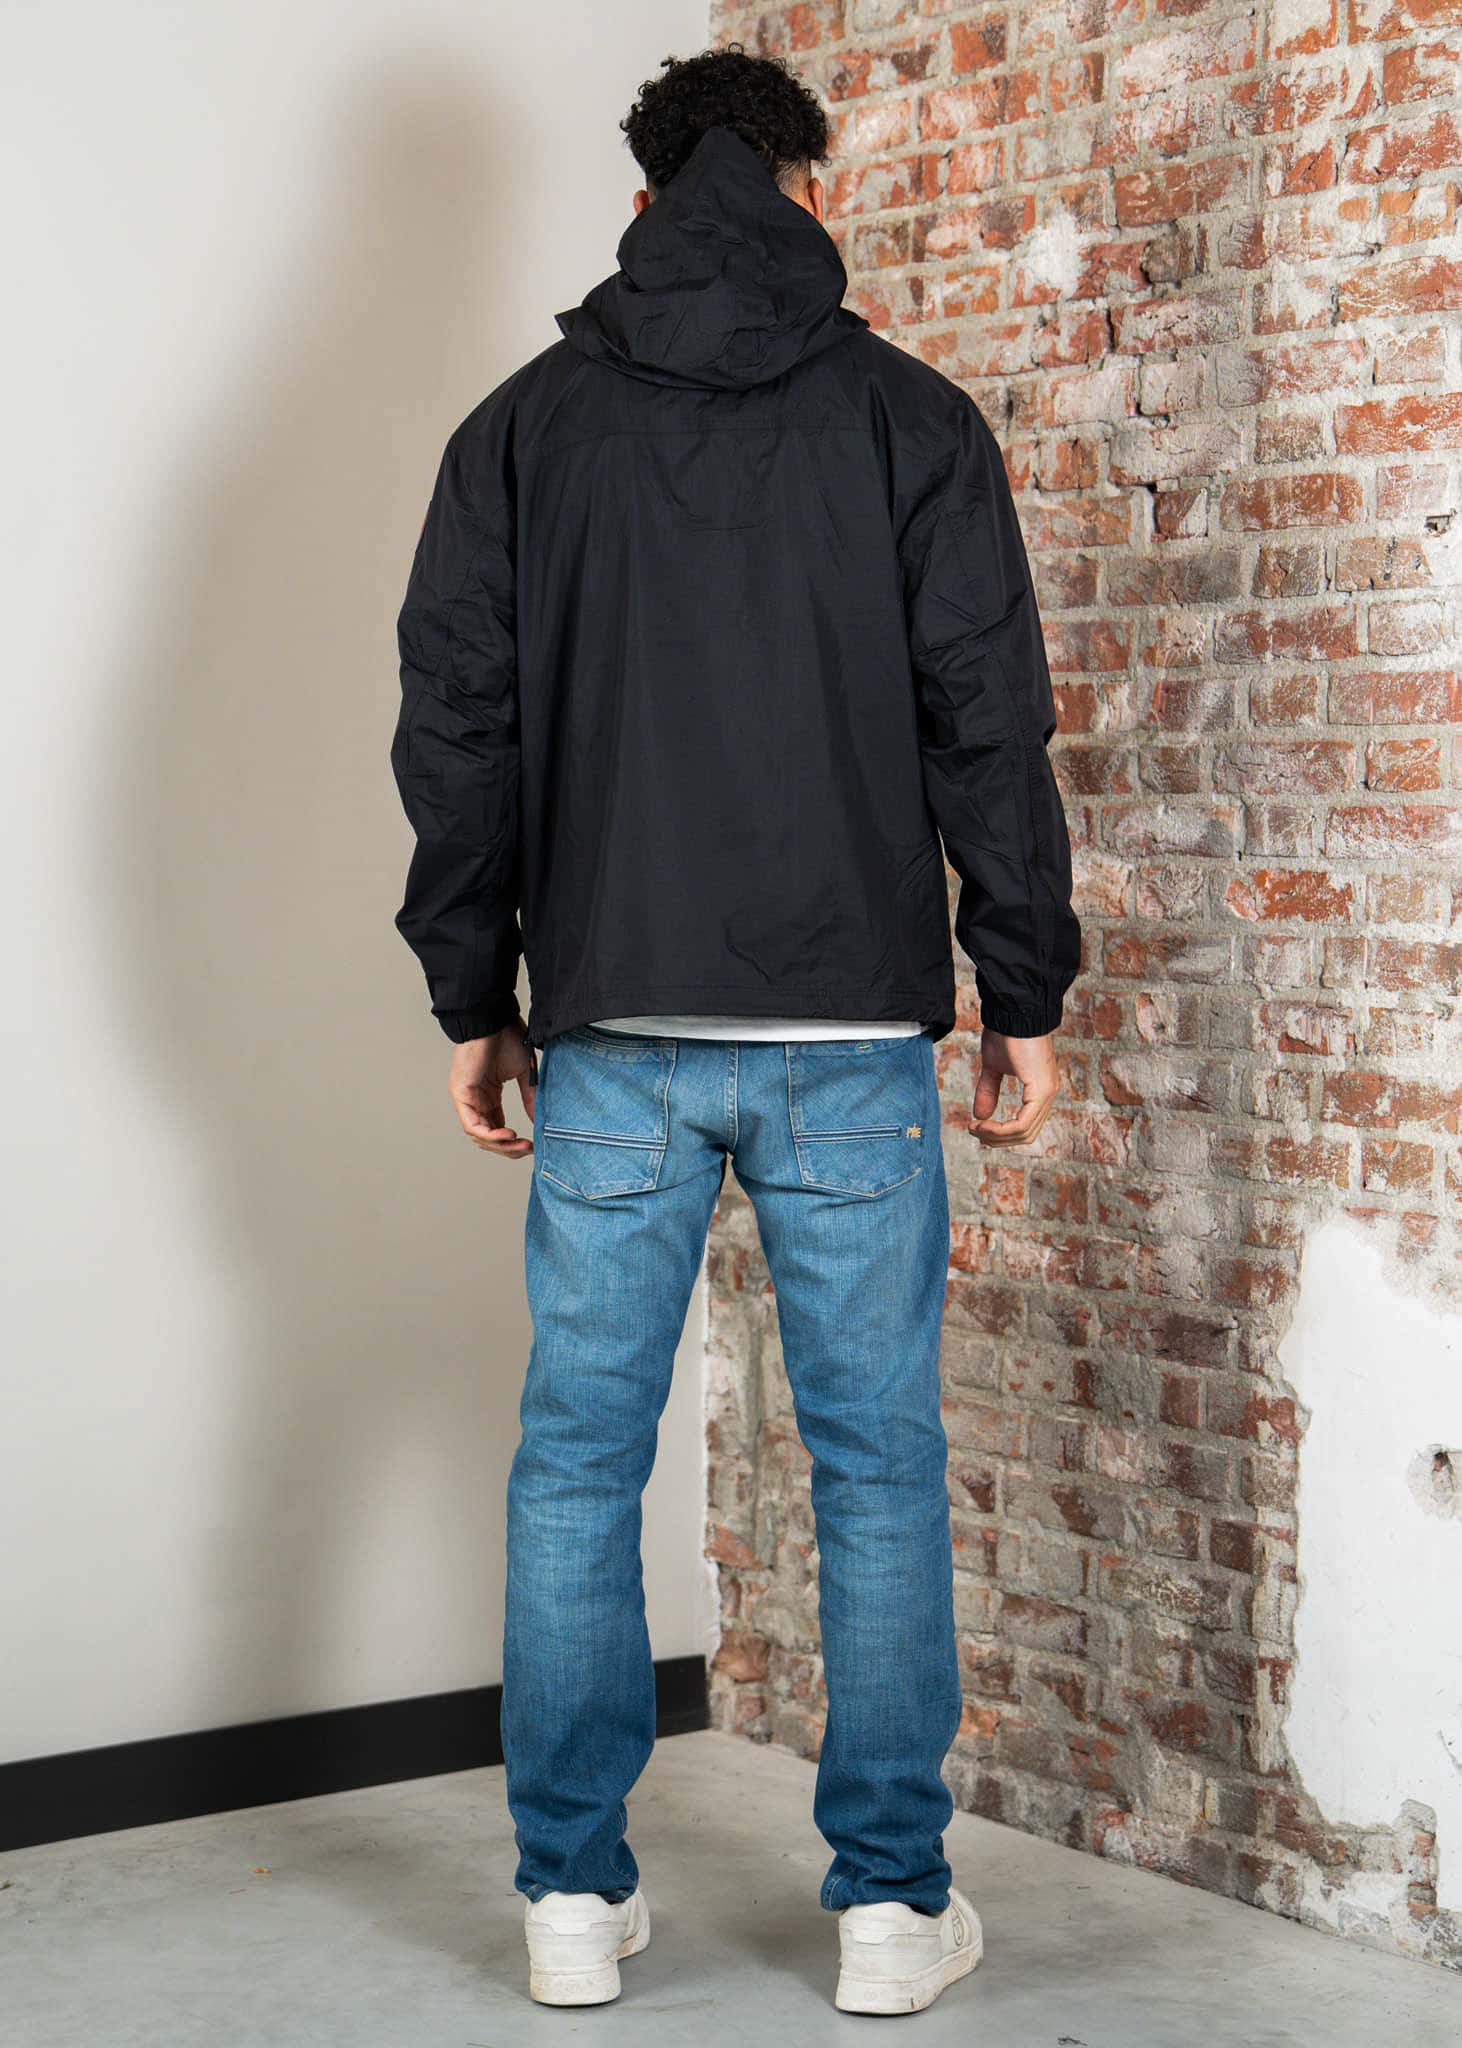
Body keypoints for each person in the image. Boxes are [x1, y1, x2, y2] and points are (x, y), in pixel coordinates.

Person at [390, 44, 1080, 2017]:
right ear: (806, 192)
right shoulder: (908, 418)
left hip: (613, 1024)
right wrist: (1020, 988)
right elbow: (987, 721)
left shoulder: (522, 430)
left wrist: (474, 992)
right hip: (850, 1034)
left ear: (640, 203)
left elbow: (457, 733)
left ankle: (567, 1898)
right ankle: (887, 1909)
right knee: (873, 1467)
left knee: (572, 1463)